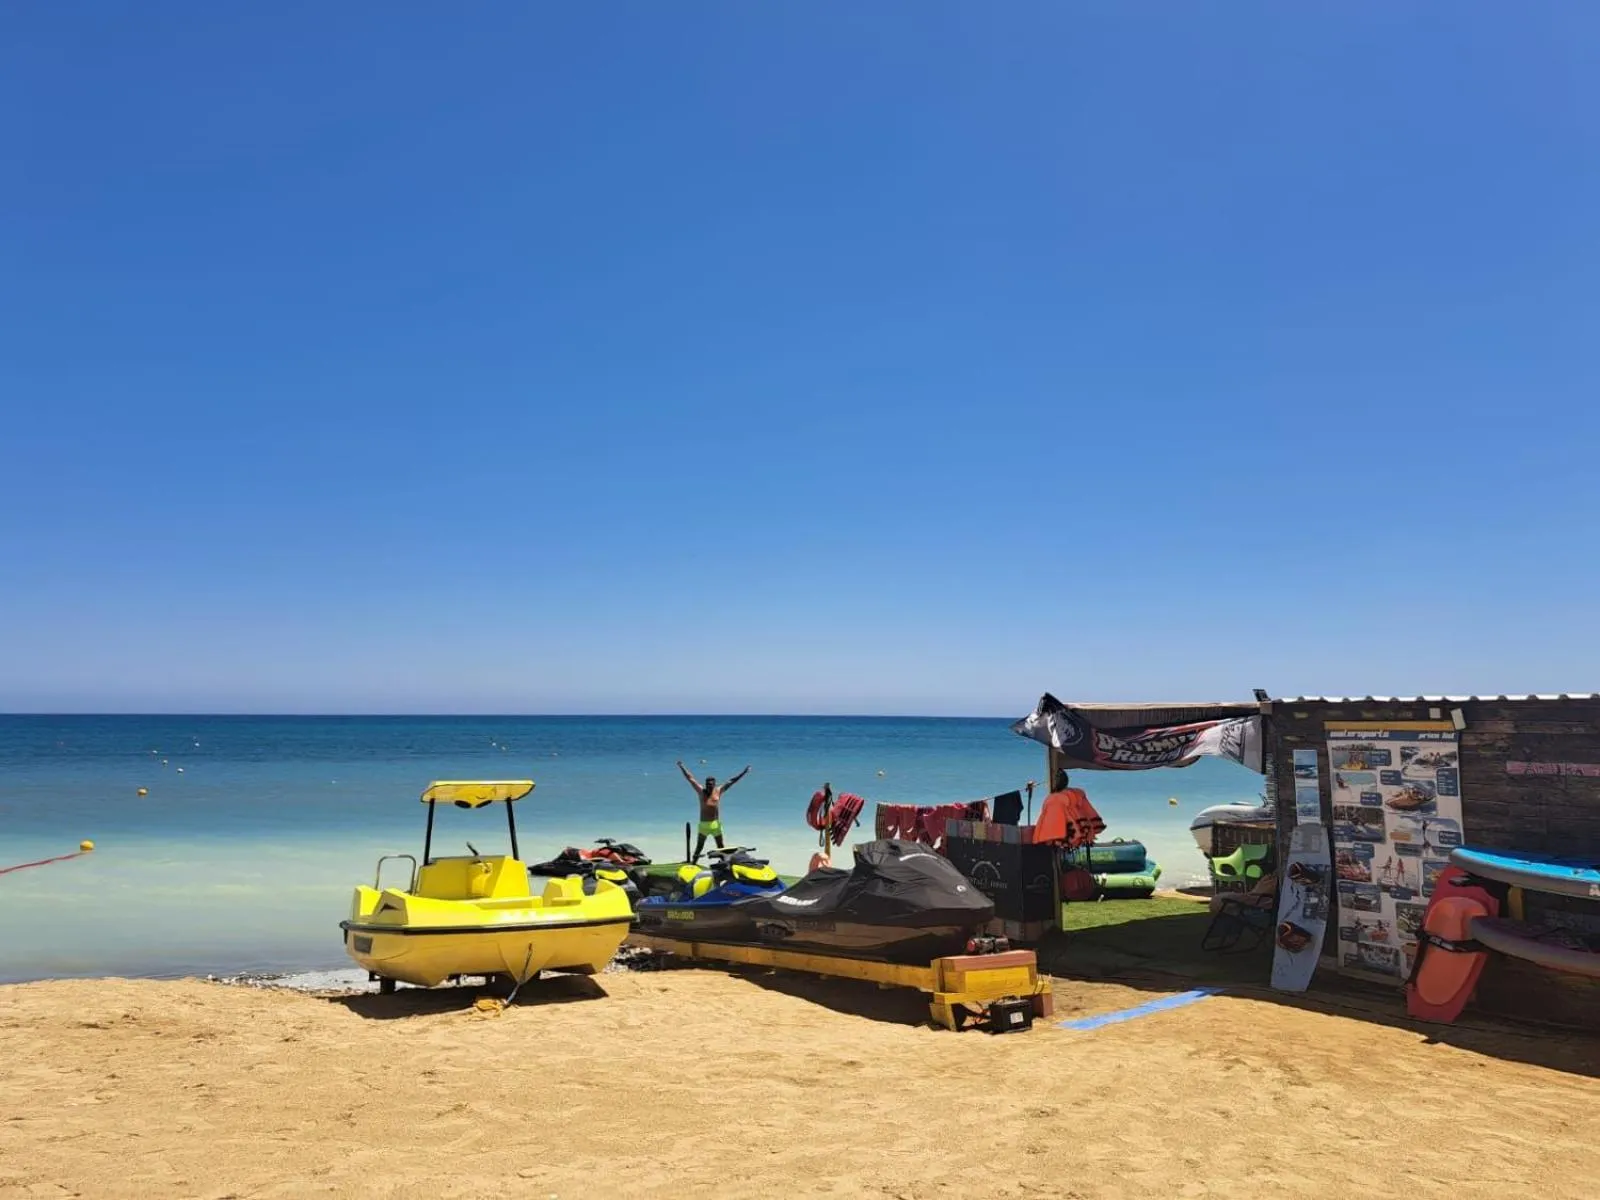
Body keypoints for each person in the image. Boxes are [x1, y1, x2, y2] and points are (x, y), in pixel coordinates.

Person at [677, 760, 750, 861]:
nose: (709, 786)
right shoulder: (701, 791)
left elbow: (732, 781)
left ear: (714, 784)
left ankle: (724, 864)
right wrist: (681, 766)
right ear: (705, 784)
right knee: (699, 847)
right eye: (707, 784)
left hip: (716, 825)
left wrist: (744, 772)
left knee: (721, 847)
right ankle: (693, 864)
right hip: (704, 825)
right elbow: (690, 778)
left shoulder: (719, 790)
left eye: (711, 784)